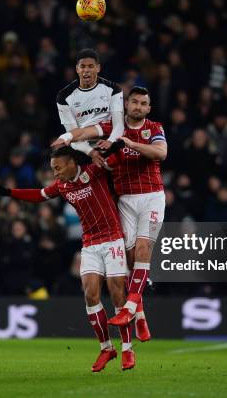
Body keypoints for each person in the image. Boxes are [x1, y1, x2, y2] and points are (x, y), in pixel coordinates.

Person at [0, 143, 135, 372]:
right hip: (90, 243)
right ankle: (107, 348)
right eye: (52, 169)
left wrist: (120, 142)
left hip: (113, 238)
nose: (54, 173)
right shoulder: (62, 186)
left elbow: (117, 158)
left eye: (57, 167)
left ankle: (127, 348)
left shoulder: (95, 170)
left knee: (116, 293)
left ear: (72, 163)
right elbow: (38, 195)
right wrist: (8, 192)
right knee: (90, 295)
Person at [52, 86, 167, 341]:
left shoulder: (154, 129)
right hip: (124, 199)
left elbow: (161, 153)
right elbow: (88, 131)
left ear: (148, 108)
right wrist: (69, 135)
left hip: (152, 195)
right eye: (134, 102)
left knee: (143, 248)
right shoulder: (113, 126)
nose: (138, 106)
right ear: (126, 104)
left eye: (143, 103)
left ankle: (129, 308)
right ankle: (140, 317)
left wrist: (128, 143)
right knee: (128, 260)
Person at [55, 48, 124, 165]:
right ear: (77, 69)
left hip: (110, 143)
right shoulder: (64, 97)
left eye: (90, 66)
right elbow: (73, 135)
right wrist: (91, 153)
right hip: (84, 150)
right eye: (82, 67)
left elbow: (119, 125)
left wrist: (110, 142)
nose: (86, 70)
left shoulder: (113, 89)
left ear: (98, 68)